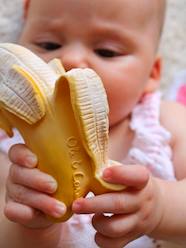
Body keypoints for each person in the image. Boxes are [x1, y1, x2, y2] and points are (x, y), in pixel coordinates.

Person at [0, 0, 186, 247]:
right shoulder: (14, 151)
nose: (71, 60)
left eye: (106, 51)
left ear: (152, 73)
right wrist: (31, 225)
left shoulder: (165, 123)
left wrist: (161, 207)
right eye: (49, 45)